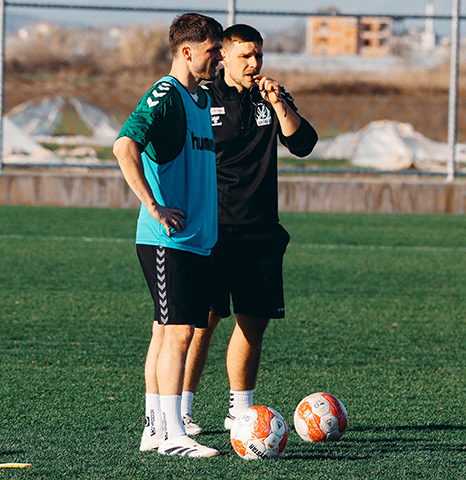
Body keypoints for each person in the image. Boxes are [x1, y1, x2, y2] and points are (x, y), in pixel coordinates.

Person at [180, 24, 318, 435]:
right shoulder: (202, 98)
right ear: (223, 56)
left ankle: (240, 411)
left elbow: (304, 144)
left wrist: (279, 104)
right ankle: (182, 410)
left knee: (253, 323)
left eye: (258, 54)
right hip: (213, 231)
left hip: (261, 231)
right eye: (245, 56)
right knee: (203, 322)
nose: (254, 63)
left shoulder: (271, 96)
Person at [112, 13, 223, 457]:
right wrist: (153, 205)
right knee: (177, 334)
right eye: (213, 50)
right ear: (188, 51)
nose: (218, 57)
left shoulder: (201, 99)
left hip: (195, 240)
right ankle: (174, 435)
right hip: (167, 240)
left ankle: (155, 430)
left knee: (165, 333)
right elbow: (124, 145)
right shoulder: (166, 94)